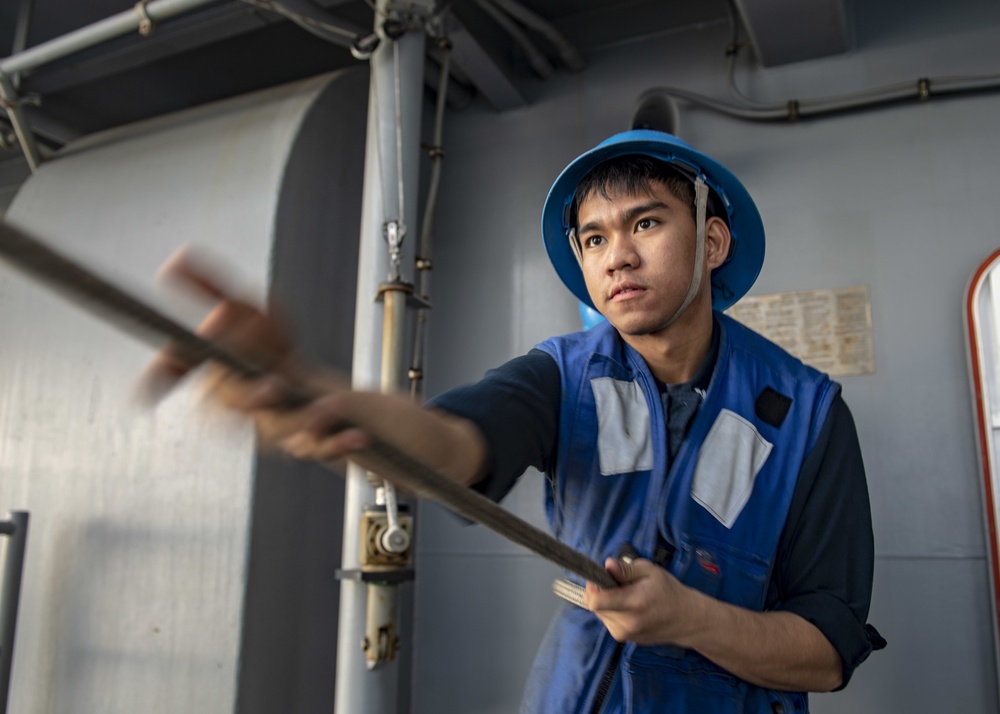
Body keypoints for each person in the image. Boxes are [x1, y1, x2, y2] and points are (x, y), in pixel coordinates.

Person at [145, 129, 883, 713]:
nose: (617, 256)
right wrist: (307, 387)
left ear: (712, 243)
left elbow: (826, 653)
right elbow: (451, 444)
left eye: (646, 223)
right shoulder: (562, 375)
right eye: (593, 239)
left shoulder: (809, 415)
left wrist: (690, 618)